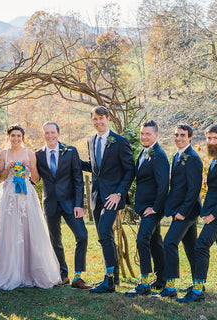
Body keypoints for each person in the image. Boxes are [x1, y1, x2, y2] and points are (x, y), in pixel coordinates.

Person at [0, 124, 61, 290]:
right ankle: (11, 271)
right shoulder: (3, 154)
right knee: (10, 232)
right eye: (13, 136)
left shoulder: (30, 154)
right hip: (10, 196)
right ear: (9, 137)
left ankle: (31, 271)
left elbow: (36, 179)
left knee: (30, 231)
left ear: (22, 137)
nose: (16, 139)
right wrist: (7, 167)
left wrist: (31, 166)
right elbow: (0, 179)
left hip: (27, 196)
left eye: (19, 136)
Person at [178, 123, 217, 303]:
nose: (211, 141)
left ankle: (198, 292)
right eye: (209, 138)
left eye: (215, 138)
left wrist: (213, 215)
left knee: (201, 246)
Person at [81, 106, 136, 293]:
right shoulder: (91, 140)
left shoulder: (120, 142)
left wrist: (119, 192)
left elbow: (130, 169)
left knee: (104, 231)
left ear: (108, 118)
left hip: (113, 197)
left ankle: (109, 281)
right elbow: (95, 167)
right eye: (94, 119)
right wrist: (73, 159)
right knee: (105, 236)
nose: (98, 122)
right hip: (97, 195)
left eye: (101, 118)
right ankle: (113, 275)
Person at [36, 121, 90, 289]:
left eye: (52, 132)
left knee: (82, 236)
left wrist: (79, 204)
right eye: (46, 133)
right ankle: (63, 274)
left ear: (58, 133)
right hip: (50, 203)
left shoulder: (70, 151)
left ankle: (78, 277)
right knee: (55, 241)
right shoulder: (37, 154)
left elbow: (78, 179)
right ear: (43, 135)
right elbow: (34, 176)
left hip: (70, 203)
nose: (50, 136)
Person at [153, 123, 203, 299]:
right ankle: (199, 286)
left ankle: (170, 287)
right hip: (180, 210)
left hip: (187, 212)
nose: (179, 138)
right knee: (191, 249)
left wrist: (182, 211)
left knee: (169, 243)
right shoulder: (176, 155)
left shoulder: (193, 158)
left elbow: (194, 189)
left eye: (182, 135)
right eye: (176, 135)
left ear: (190, 137)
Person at [126, 119, 169, 297]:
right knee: (154, 241)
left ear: (156, 135)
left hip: (152, 208)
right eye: (142, 133)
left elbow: (163, 184)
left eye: (148, 134)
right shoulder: (143, 152)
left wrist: (156, 208)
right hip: (145, 206)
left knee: (142, 239)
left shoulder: (158, 155)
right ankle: (162, 278)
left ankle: (144, 283)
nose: (144, 136)